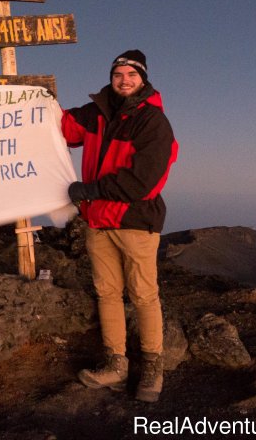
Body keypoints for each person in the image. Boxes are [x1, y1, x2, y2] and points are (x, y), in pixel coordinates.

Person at [60, 49, 177, 403]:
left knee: (143, 294)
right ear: (112, 78)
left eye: (131, 75)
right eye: (118, 75)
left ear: (143, 79)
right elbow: (62, 128)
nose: (124, 80)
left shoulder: (153, 122)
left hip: (134, 222)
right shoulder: (97, 113)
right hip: (98, 221)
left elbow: (143, 182)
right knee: (107, 292)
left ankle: (153, 367)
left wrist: (92, 190)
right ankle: (116, 363)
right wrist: (34, 100)